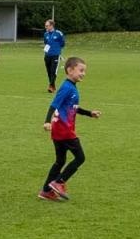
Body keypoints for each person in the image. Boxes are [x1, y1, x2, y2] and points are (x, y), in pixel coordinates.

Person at [40, 56, 99, 201]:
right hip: (65, 130)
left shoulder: (71, 87)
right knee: (80, 158)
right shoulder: (66, 87)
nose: (83, 73)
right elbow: (54, 104)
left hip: (59, 131)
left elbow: (73, 107)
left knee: (60, 161)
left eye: (84, 71)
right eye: (81, 70)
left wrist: (89, 113)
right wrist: (47, 121)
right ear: (70, 70)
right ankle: (59, 183)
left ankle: (46, 191)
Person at [42, 18, 66, 92]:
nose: (46, 27)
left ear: (52, 25)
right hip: (47, 55)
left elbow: (62, 43)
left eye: (47, 26)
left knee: (53, 71)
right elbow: (46, 43)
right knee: (49, 71)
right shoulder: (45, 34)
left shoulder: (59, 33)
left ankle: (50, 86)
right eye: (45, 26)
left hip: (55, 55)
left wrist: (57, 50)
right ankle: (52, 85)